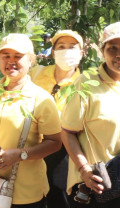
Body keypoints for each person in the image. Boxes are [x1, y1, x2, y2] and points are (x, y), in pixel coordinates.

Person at [61, 22, 120, 207]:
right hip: (94, 183)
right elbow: (68, 132)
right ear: (103, 51)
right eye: (112, 48)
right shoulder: (86, 83)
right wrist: (84, 170)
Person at [0, 33, 62, 207]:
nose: (11, 61)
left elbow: (55, 142)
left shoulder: (41, 99)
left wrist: (21, 154)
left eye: (18, 56)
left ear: (31, 61)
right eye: (6, 56)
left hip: (27, 192)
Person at [30, 29, 84, 208]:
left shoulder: (84, 84)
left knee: (59, 198)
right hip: (32, 148)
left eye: (72, 47)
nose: (66, 51)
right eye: (61, 47)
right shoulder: (36, 74)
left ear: (81, 53)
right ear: (53, 52)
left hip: (64, 151)